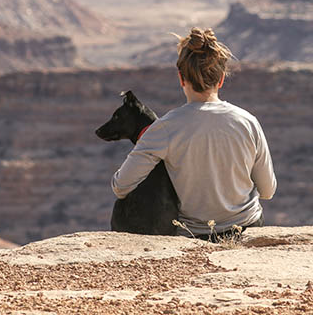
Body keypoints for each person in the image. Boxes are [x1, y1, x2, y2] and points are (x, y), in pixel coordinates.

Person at [111, 27, 276, 240]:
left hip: (195, 235)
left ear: (181, 78)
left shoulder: (164, 128)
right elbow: (268, 191)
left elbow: (120, 187)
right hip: (247, 228)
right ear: (221, 79)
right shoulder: (248, 122)